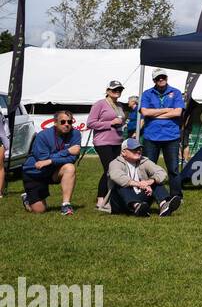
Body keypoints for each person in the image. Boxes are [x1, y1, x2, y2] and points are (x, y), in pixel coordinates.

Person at [21, 110, 81, 215]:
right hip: (35, 172)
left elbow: (73, 158)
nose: (66, 124)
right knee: (40, 210)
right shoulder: (42, 136)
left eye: (69, 122)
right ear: (55, 123)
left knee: (70, 167)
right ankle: (27, 198)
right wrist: (67, 151)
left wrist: (50, 160)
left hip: (52, 170)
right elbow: (42, 159)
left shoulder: (75, 134)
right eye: (63, 122)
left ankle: (66, 205)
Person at [139, 69, 185, 195]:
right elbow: (144, 112)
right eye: (158, 78)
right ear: (154, 80)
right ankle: (147, 194)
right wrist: (166, 110)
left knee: (173, 169)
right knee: (148, 168)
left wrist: (154, 114)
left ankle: (176, 195)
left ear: (166, 78)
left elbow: (178, 112)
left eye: (163, 77)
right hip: (151, 137)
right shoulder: (147, 93)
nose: (161, 79)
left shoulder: (175, 92)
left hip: (171, 137)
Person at [107, 137, 178, 216]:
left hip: (141, 198)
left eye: (140, 149)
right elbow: (116, 176)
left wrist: (149, 182)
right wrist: (139, 184)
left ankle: (164, 205)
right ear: (123, 152)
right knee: (121, 184)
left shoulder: (144, 161)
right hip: (120, 203)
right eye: (134, 149)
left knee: (156, 181)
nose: (138, 151)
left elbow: (161, 172)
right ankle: (136, 206)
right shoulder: (115, 163)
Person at [86, 79, 128, 213]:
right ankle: (101, 200)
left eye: (119, 90)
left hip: (117, 141)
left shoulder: (120, 105)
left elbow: (120, 121)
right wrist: (110, 123)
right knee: (109, 170)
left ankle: (111, 197)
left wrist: (121, 123)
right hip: (103, 142)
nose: (117, 92)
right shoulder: (99, 104)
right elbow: (90, 123)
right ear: (108, 91)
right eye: (114, 89)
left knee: (115, 170)